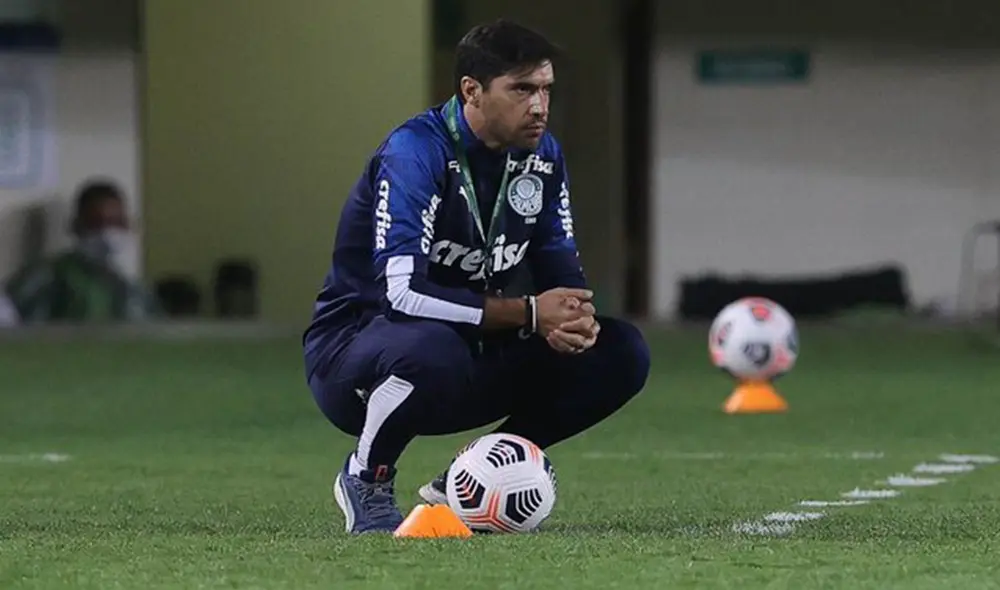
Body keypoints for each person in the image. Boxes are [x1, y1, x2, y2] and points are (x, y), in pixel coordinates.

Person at [303, 19, 650, 534]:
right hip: (360, 358)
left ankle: (468, 478)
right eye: (522, 90)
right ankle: (365, 477)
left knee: (622, 352)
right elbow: (401, 295)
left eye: (546, 90)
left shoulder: (542, 156)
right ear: (472, 90)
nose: (539, 106)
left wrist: (574, 319)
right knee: (429, 348)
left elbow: (557, 260)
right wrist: (532, 313)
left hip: (467, 351)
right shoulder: (415, 153)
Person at [3, 179, 156, 323]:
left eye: (117, 222)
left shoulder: (132, 288)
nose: (108, 232)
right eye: (96, 223)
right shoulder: (49, 274)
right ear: (76, 226)